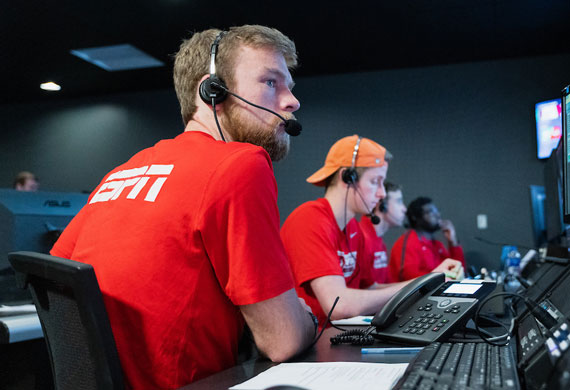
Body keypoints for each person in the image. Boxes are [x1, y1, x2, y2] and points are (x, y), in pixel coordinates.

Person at [51, 25, 316, 389]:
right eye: (271, 83)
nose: (291, 101)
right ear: (213, 91)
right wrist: (308, 319)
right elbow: (282, 339)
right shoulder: (241, 162)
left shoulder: (125, 171)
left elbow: (53, 275)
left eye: (289, 87)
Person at [280, 135, 463, 326]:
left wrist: (429, 280)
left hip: (336, 337)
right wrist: (424, 283)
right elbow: (338, 306)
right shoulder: (310, 219)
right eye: (376, 181)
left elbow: (369, 289)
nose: (382, 193)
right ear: (347, 178)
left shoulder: (352, 228)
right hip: (312, 345)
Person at [388, 196, 467, 282]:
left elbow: (458, 271)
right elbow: (411, 281)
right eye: (431, 212)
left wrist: (453, 242)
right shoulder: (406, 243)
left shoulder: (437, 244)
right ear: (415, 217)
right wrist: (442, 278)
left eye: (437, 211)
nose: (437, 215)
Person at [358, 181, 407, 287]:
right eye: (399, 201)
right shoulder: (362, 238)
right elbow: (367, 289)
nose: (404, 209)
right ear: (381, 205)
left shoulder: (377, 240)